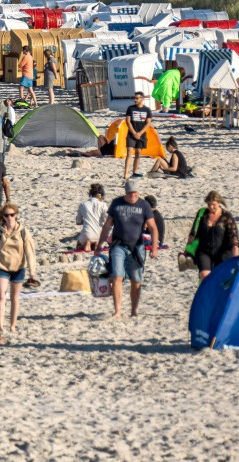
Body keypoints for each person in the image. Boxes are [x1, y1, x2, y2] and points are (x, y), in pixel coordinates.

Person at [93, 180, 160, 319]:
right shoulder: (117, 203)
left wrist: (154, 248)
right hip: (118, 245)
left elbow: (153, 228)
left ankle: (134, 310)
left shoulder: (144, 205)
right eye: (130, 193)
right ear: (126, 192)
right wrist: (99, 245)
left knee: (136, 280)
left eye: (135, 193)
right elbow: (107, 226)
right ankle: (117, 311)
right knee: (117, 276)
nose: (133, 196)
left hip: (137, 247)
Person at [0, 204, 38, 333]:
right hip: (2, 266)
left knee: (15, 298)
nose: (9, 217)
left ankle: (12, 325)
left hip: (18, 267)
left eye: (12, 215)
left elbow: (30, 252)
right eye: (6, 215)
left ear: (16, 215)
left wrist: (32, 272)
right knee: (1, 296)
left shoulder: (23, 231)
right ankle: (1, 326)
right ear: (3, 216)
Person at [187, 191, 239, 280]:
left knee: (222, 276)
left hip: (223, 251)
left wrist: (235, 259)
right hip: (204, 250)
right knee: (205, 276)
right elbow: (193, 232)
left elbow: (234, 238)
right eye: (209, 205)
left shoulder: (226, 216)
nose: (211, 207)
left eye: (213, 204)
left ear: (219, 203)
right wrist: (187, 250)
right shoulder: (202, 214)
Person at [123, 92, 153, 180]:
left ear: (142, 99)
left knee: (138, 153)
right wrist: (134, 133)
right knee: (129, 152)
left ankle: (135, 172)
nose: (135, 100)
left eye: (137, 98)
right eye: (134, 98)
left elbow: (148, 123)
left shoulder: (147, 110)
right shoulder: (130, 108)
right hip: (131, 134)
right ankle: (126, 173)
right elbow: (128, 122)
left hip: (141, 134)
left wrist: (139, 133)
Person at [76, 183, 108, 251]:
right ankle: (96, 243)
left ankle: (87, 244)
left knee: (78, 244)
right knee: (99, 240)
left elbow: (78, 222)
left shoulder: (82, 205)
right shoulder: (103, 205)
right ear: (101, 195)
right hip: (99, 235)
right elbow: (107, 219)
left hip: (86, 234)